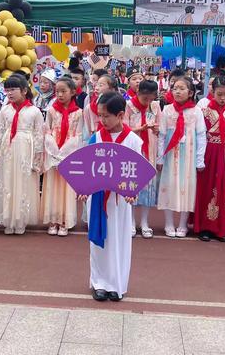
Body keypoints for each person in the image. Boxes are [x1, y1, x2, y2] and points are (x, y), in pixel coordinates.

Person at [80, 92, 143, 302]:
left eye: (106, 116)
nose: (102, 120)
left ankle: (116, 284)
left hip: (120, 200)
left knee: (119, 240)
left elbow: (138, 171)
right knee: (100, 243)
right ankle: (99, 283)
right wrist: (83, 188)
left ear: (120, 115)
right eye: (100, 116)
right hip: (98, 198)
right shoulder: (96, 138)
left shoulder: (133, 140)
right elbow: (87, 168)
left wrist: (133, 192)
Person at [157, 77, 207, 238]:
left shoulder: (196, 111)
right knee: (169, 185)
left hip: (189, 156)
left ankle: (183, 224)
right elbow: (162, 135)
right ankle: (169, 223)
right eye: (174, 88)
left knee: (188, 187)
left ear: (190, 92)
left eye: (181, 88)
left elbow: (201, 135)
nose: (177, 91)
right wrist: (160, 158)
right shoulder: (167, 110)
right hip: (171, 154)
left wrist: (200, 159)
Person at [0, 75, 44, 235]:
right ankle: (8, 219)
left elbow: (39, 135)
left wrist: (37, 159)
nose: (9, 93)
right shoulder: (5, 110)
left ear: (24, 90)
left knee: (23, 182)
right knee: (8, 180)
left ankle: (21, 219)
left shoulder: (34, 111)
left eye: (13, 89)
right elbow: (0, 131)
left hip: (25, 148)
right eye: (7, 90)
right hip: (8, 147)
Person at [194, 76, 225, 242]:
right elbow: (199, 136)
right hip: (209, 153)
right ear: (212, 92)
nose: (223, 98)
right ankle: (205, 227)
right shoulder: (204, 112)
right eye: (219, 94)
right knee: (207, 188)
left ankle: (223, 228)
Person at [42, 76, 83, 236]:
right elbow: (46, 130)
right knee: (52, 186)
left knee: (67, 188)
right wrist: (54, 150)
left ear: (73, 92)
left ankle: (65, 220)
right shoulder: (51, 110)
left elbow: (78, 135)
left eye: (63, 91)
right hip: (53, 153)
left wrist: (65, 152)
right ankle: (53, 219)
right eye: (57, 91)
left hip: (69, 153)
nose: (59, 95)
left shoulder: (79, 113)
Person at [126, 80, 160, 238]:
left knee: (148, 186)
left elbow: (161, 126)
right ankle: (131, 221)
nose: (148, 101)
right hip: (134, 149)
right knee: (133, 184)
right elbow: (123, 127)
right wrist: (140, 129)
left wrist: (157, 128)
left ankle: (144, 222)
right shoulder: (128, 106)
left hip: (150, 149)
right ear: (138, 93)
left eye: (151, 98)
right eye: (145, 98)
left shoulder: (155, 106)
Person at [83, 74, 117, 139]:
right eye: (97, 85)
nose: (96, 88)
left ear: (112, 89)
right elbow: (87, 130)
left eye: (101, 85)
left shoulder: (119, 106)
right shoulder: (89, 108)